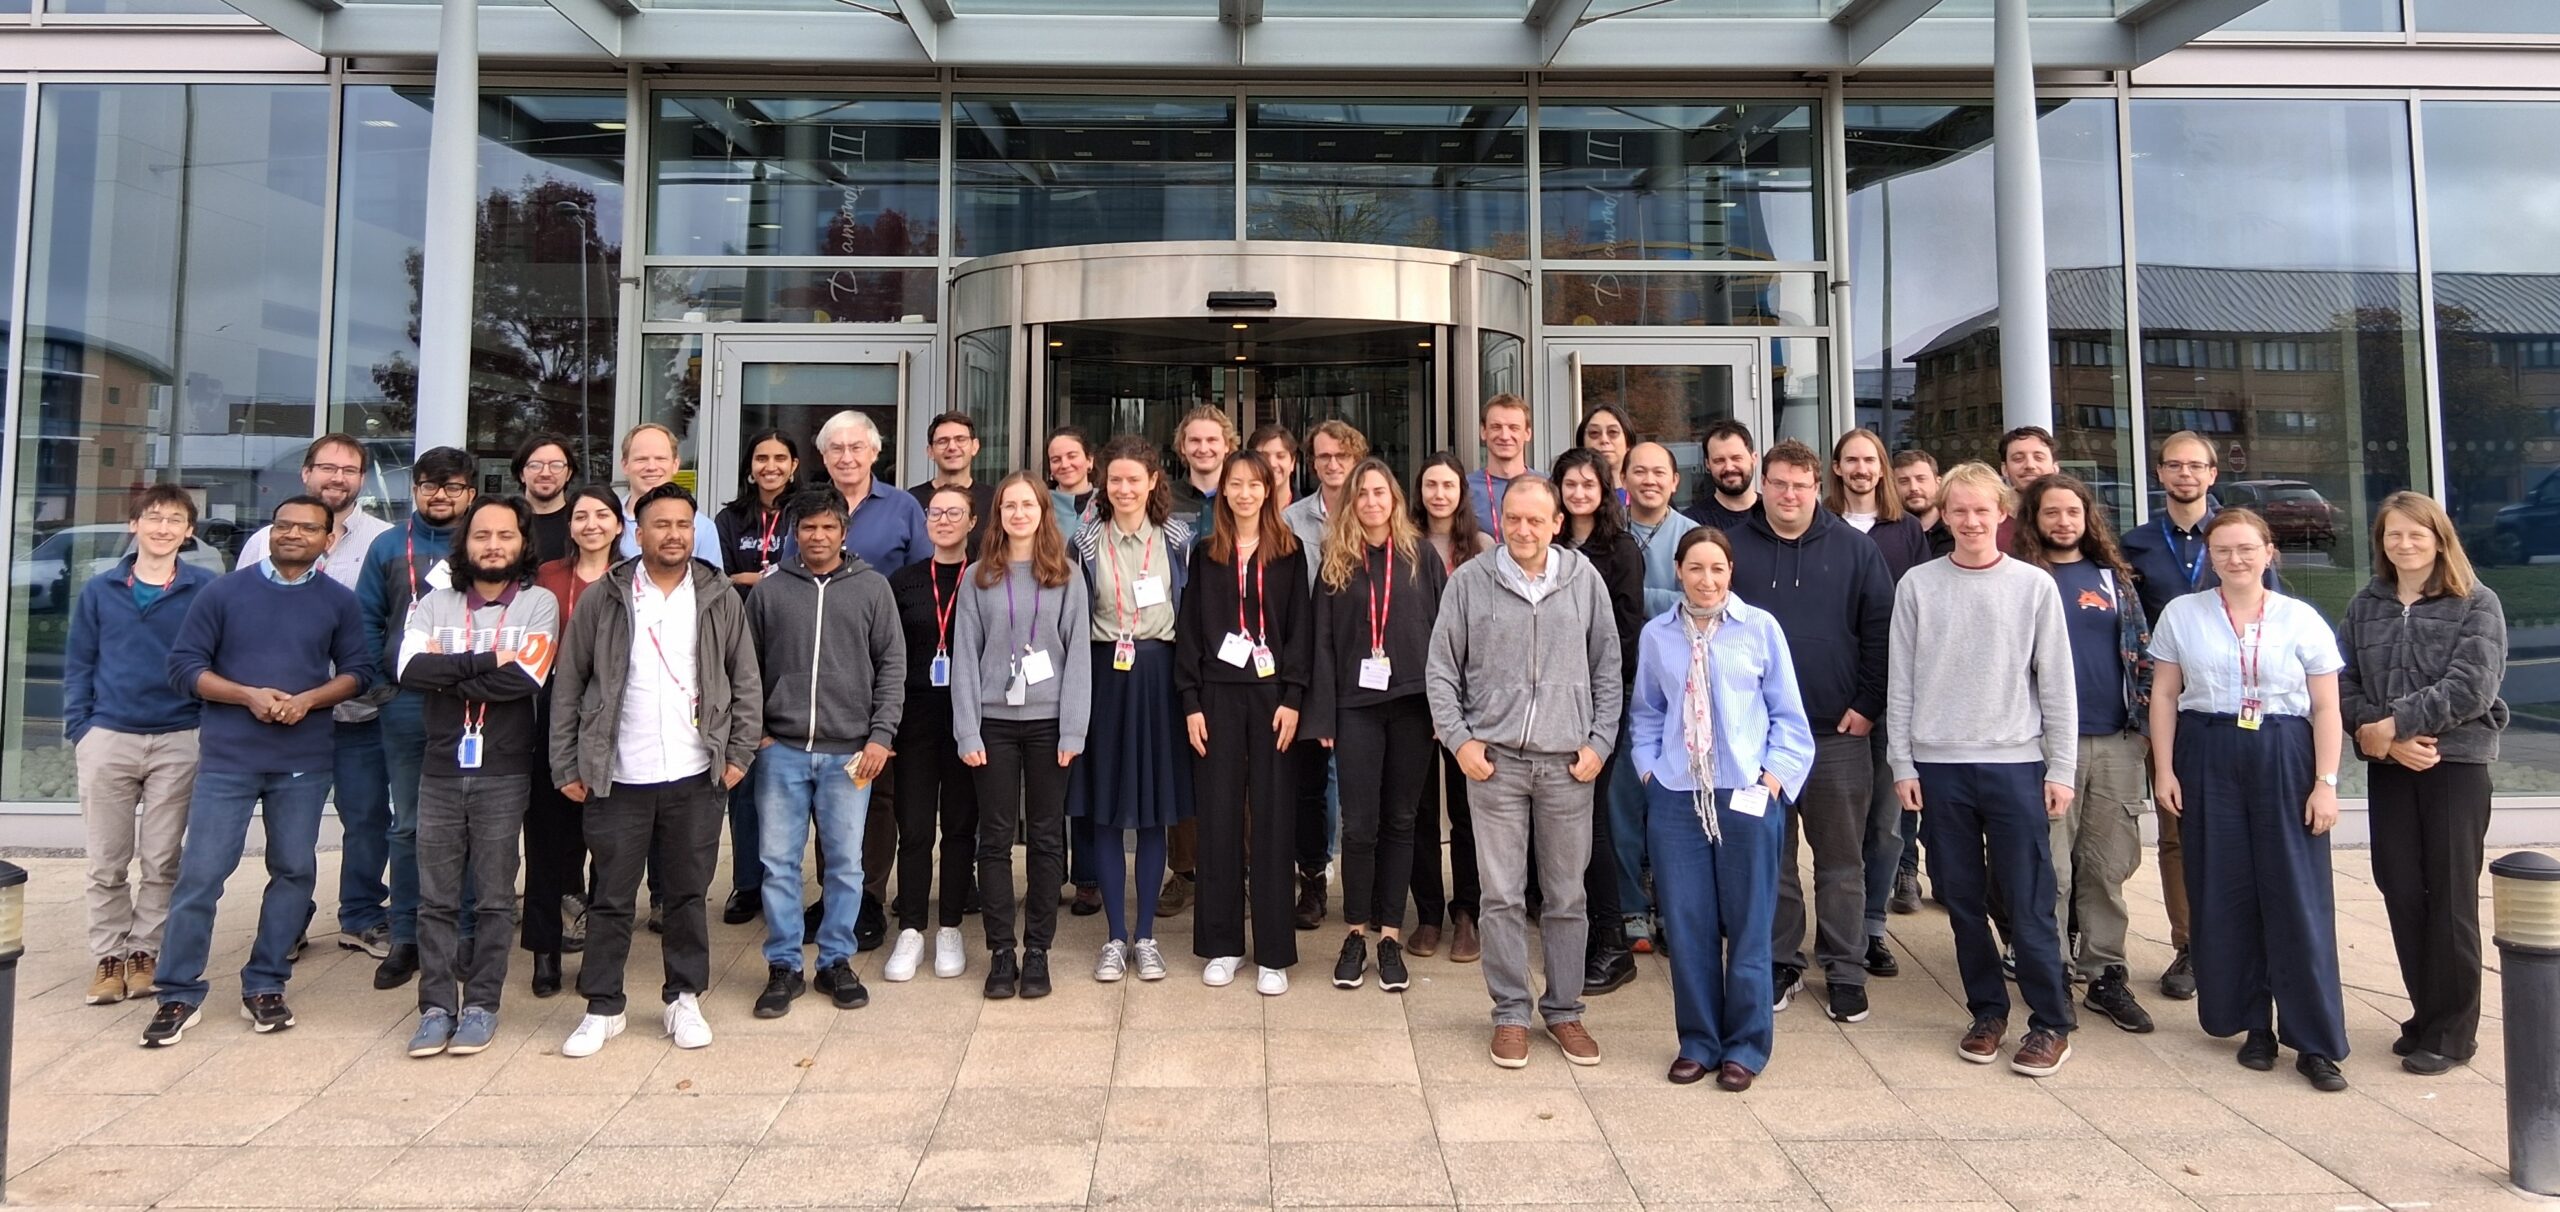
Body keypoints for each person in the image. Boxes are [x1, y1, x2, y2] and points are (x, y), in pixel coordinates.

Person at [140, 495, 375, 1048]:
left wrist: (310, 699)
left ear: (327, 538)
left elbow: (360, 672)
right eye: (284, 525)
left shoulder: (339, 602)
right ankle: (177, 991)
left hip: (303, 759)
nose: (293, 533)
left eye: (307, 527)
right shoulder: (224, 591)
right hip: (229, 757)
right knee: (202, 875)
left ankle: (267, 984)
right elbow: (184, 668)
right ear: (270, 532)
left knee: (294, 870)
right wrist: (246, 695)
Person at [548, 483, 762, 1059]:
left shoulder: (718, 596)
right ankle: (602, 1006)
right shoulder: (607, 596)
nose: (673, 534)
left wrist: (738, 753)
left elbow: (745, 680)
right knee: (612, 895)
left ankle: (683, 997)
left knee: (688, 894)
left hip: (697, 772)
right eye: (660, 524)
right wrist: (568, 761)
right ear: (635, 532)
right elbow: (569, 682)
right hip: (618, 772)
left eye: (683, 525)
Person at [1887, 462, 2079, 1079]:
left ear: (2003, 515)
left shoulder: (2033, 586)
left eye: (1981, 510)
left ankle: (2050, 1021)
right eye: (1958, 510)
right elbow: (1901, 682)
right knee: (1963, 900)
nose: (1970, 521)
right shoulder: (1917, 585)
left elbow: (2057, 685)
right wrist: (1902, 760)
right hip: (1940, 767)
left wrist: (2062, 766)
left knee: (2028, 901)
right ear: (1942, 515)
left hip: (2016, 764)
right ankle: (1987, 1012)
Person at [2148, 508, 2349, 1091]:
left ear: (2268, 552)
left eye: (2245, 548)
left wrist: (2326, 783)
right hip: (2208, 751)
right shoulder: (2182, 615)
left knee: (2296, 896)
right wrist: (2165, 770)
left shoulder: (2300, 618)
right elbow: (2164, 695)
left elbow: (2327, 707)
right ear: (2209, 557)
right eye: (2222, 551)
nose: (2234, 560)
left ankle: (2314, 1041)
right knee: (2224, 892)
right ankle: (2251, 1025)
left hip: (2285, 754)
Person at [1426, 474, 1622, 1070]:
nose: (1524, 530)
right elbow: (1440, 670)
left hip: (1568, 765)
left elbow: (1609, 667)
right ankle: (1511, 1013)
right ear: (1501, 518)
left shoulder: (1583, 581)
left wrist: (1600, 742)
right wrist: (1461, 743)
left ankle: (1564, 1011)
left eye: (1537, 520)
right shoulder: (1469, 581)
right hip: (1497, 767)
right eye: (1514, 518)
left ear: (1557, 523)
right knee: (1501, 896)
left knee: (1566, 896)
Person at [1629, 526, 1814, 1090]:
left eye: (1717, 569)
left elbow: (1788, 716)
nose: (1706, 580)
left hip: (1746, 795)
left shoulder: (1760, 629)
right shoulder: (1658, 635)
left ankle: (1745, 1047)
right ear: (1678, 572)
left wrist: (1774, 778)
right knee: (1687, 925)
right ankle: (1699, 1040)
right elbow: (1646, 710)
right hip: (1678, 796)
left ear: (1730, 572)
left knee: (1751, 924)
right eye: (1695, 569)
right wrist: (1651, 770)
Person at [2339, 492, 2508, 1076]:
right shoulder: (2366, 605)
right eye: (2392, 535)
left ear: (2439, 538)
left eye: (2416, 534)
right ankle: (2424, 1013)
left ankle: (2454, 1032)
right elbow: (2343, 683)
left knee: (2451, 898)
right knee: (2403, 890)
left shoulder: (2476, 603)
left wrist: (2396, 725)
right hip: (2392, 769)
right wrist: (2379, 736)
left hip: (2454, 767)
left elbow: (2472, 688)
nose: (2404, 544)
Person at [1728, 438, 1898, 1018]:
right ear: (1763, 482)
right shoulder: (1735, 550)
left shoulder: (1855, 550)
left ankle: (1846, 968)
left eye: (1800, 485)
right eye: (1778, 483)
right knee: (1770, 857)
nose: (1789, 495)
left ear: (1816, 486)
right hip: (1757, 743)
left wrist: (1869, 702)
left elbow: (1880, 632)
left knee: (1842, 861)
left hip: (1837, 735)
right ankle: (1781, 963)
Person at [397, 496, 560, 1058]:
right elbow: (411, 670)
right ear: (465, 544)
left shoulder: (539, 604)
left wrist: (454, 671)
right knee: (436, 899)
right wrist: (489, 660)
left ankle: (482, 1003)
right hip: (441, 766)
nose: (493, 545)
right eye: (482, 535)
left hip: (506, 769)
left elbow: (527, 680)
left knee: (493, 898)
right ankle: (436, 1006)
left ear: (522, 543)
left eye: (505, 536)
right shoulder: (434, 602)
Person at [2116, 429, 2272, 1002]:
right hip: (2167, 706)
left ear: (2213, 475)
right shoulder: (2135, 546)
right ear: (2159, 474)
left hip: (2235, 708)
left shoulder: (2238, 539)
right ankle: (2191, 946)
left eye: (2196, 466)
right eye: (2174, 465)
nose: (2186, 474)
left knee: (2242, 828)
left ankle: (2244, 940)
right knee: (2178, 830)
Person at [745, 490, 904, 1018]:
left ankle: (837, 959)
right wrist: (760, 732)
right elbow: (747, 667)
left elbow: (892, 667)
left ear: (843, 532)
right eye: (807, 528)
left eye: (827, 528)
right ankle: (784, 965)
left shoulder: (873, 589)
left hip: (850, 754)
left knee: (845, 865)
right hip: (782, 751)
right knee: (778, 863)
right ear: (795, 532)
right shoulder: (770, 592)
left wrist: (881, 736)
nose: (817, 537)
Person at [239, 434, 395, 965]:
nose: (338, 478)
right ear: (306, 474)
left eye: (350, 470)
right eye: (327, 467)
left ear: (362, 480)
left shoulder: (385, 540)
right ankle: (290, 918)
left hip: (359, 711)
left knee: (368, 817)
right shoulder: (266, 540)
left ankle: (361, 915)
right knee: (292, 825)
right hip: (285, 716)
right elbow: (242, 621)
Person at [2013, 474, 2156, 1035]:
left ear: (2086, 517)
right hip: (2047, 744)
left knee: (2106, 864)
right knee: (2050, 867)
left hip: (2114, 741)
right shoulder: (2024, 579)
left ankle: (2105, 973)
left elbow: (2142, 654)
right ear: (2035, 518)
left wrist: (2141, 730)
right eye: (2052, 512)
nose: (2063, 522)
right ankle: (2051, 975)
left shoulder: (2113, 579)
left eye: (2073, 512)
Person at [68, 485, 219, 1006]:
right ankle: (108, 957)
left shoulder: (205, 588)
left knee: (161, 859)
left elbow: (216, 659)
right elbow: (79, 663)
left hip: (179, 736)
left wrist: (203, 725)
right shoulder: (100, 589)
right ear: (134, 525)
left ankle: (144, 952)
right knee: (107, 860)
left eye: (174, 520)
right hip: (109, 736)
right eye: (152, 518)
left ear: (189, 531)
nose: (162, 527)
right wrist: (80, 728)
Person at [1308, 457, 1446, 993]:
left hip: (1413, 704)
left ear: (1394, 499)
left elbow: (1444, 634)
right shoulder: (1335, 560)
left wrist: (1443, 710)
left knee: (1402, 822)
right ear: (1352, 502)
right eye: (1362, 493)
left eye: (1380, 492)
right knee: (1359, 825)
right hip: (1355, 707)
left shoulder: (1421, 558)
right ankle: (1356, 933)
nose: (1370, 501)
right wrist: (1323, 713)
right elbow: (1321, 641)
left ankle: (1390, 936)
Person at [1179, 451, 1313, 995]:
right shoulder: (1205, 554)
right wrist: (1190, 701)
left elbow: (1302, 627)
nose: (1243, 494)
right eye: (1234, 485)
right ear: (1225, 493)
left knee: (1275, 821)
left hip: (1274, 699)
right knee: (1218, 818)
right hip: (1216, 699)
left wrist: (1295, 696)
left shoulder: (1290, 552)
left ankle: (1274, 952)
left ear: (1268, 490)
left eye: (1253, 484)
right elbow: (1189, 629)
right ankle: (1222, 944)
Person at [953, 474, 1092, 1001]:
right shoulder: (977, 578)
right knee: (994, 839)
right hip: (991, 724)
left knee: (1047, 837)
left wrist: (1074, 726)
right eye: (1009, 505)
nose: (1018, 513)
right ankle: (1000, 951)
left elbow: (1078, 656)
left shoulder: (1066, 576)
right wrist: (966, 727)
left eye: (1027, 504)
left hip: (1050, 723)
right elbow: (965, 657)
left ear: (1042, 511)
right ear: (998, 516)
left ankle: (1037, 949)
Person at [1072, 437, 1195, 983]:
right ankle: (1113, 937)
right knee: (1104, 806)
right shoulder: (1084, 540)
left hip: (1158, 677)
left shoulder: (1178, 538)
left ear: (1153, 482)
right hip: (1102, 675)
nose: (1123, 489)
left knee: (1151, 810)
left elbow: (1189, 612)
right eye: (1114, 480)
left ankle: (1145, 935)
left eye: (1133, 479)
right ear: (1104, 483)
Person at [355, 445, 477, 990]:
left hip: (469, 702)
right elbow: (364, 622)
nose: (440, 495)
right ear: (415, 490)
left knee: (471, 821)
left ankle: (467, 930)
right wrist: (381, 688)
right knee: (409, 824)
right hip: (404, 702)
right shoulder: (387, 546)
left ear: (470, 494)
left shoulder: (481, 542)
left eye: (452, 487)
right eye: (430, 485)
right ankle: (407, 934)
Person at [814, 408, 929, 951]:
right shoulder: (811, 509)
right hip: (826, 666)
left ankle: (870, 897)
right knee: (828, 784)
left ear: (875, 453)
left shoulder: (904, 508)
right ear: (823, 458)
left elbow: (928, 583)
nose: (846, 457)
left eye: (856, 447)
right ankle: (833, 893)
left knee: (875, 787)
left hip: (886, 664)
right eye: (836, 449)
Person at [1832, 428, 1934, 976]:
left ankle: (1871, 927)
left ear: (1881, 468)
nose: (1861, 468)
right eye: (1851, 460)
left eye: (1870, 459)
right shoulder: (1822, 526)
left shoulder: (1908, 532)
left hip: (1895, 699)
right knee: (1836, 824)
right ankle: (1836, 926)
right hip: (1834, 697)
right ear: (1838, 468)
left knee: (1886, 823)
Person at [524, 485, 623, 997]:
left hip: (617, 723)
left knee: (609, 843)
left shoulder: (633, 578)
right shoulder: (546, 577)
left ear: (619, 525)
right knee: (547, 840)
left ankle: (600, 950)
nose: (591, 524)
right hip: (552, 720)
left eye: (601, 515)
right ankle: (544, 950)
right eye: (581, 516)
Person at [1554, 447, 1645, 994]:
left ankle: (1613, 941)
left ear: (1605, 491)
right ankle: (1579, 931)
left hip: (1599, 704)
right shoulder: (1551, 546)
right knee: (1566, 825)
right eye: (1570, 485)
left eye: (1590, 485)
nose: (1580, 493)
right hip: (1550, 706)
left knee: (1596, 824)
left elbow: (1627, 634)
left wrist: (1596, 696)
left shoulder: (1621, 549)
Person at [884, 485, 983, 983]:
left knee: (962, 825)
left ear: (972, 522)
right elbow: (887, 654)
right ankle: (911, 928)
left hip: (969, 717)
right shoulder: (902, 582)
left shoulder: (987, 578)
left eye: (955, 513)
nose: (944, 520)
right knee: (916, 827)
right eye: (936, 512)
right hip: (915, 716)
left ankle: (950, 925)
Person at [710, 428, 803, 929]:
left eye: (780, 458)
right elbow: (716, 576)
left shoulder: (803, 511)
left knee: (789, 776)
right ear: (750, 466)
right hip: (735, 651)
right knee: (742, 771)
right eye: (762, 458)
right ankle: (747, 884)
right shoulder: (730, 518)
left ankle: (784, 882)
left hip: (789, 647)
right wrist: (757, 577)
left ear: (794, 465)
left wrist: (751, 578)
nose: (770, 466)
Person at [1281, 419, 1368, 930]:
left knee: (1360, 780)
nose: (1332, 464)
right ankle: (1312, 878)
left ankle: (1364, 884)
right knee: (1310, 781)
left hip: (1363, 663)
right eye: (1322, 457)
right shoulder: (1293, 520)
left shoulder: (1375, 512)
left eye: (1341, 455)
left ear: (1356, 458)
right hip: (1310, 662)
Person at [1412, 451, 1495, 963]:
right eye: (1430, 485)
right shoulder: (1405, 543)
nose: (1438, 494)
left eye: (1448, 485)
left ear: (1461, 492)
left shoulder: (1482, 546)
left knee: (1467, 811)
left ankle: (1468, 911)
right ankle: (1426, 913)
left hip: (1470, 698)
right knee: (1419, 808)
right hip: (1412, 692)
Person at [1617, 440, 1698, 954]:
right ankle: (1630, 906)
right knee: (1623, 804)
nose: (1649, 480)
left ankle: (1674, 907)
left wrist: (1633, 595)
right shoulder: (1609, 532)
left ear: (1675, 482)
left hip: (1684, 690)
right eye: (1638, 471)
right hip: (1624, 684)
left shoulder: (1692, 536)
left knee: (1675, 807)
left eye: (1659, 472)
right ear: (1623, 479)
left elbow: (1704, 597)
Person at [614, 423, 726, 565]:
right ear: (625, 465)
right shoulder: (606, 522)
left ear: (675, 464)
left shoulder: (703, 527)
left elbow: (712, 584)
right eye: (641, 459)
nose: (651, 467)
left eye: (660, 459)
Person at [908, 411, 998, 528]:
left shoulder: (994, 501)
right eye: (942, 441)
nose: (952, 447)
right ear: (930, 451)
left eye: (960, 439)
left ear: (975, 446)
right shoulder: (911, 501)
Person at [1465, 394, 1534, 532]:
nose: (1504, 436)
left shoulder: (1547, 485)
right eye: (1496, 427)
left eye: (1513, 428)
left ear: (1527, 433)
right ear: (1483, 432)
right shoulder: (1465, 488)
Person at [1169, 405, 1237, 536]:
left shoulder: (1242, 497)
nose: (1203, 449)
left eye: (1212, 440)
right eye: (1195, 440)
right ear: (1183, 446)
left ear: (1227, 445)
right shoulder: (1164, 498)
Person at [515, 433, 578, 563]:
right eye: (535, 465)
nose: (545, 473)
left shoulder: (581, 522)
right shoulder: (505, 520)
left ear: (569, 474)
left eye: (556, 465)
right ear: (521, 474)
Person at [1689, 420, 1762, 532]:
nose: (1729, 467)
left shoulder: (1775, 514)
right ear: (1708, 464)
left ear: (1754, 459)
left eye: (1736, 458)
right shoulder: (1693, 524)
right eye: (1719, 460)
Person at [1894, 449, 1953, 560]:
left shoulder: (1956, 531)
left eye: (1921, 479)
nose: (1913, 488)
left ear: (1938, 483)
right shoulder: (1888, 535)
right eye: (1904, 481)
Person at [1047, 424, 1099, 543]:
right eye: (1056, 460)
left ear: (1089, 460)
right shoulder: (1040, 505)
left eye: (1072, 456)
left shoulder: (1107, 503)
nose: (1065, 465)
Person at [1580, 404, 1634, 493]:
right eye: (1594, 432)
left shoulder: (1642, 492)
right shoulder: (1563, 491)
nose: (1604, 440)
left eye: (1613, 432)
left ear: (1628, 442)